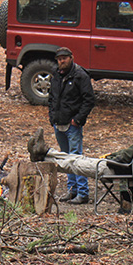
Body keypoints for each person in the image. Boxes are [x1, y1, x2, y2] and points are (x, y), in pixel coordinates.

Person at [28, 119, 133, 212]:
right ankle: (45, 151)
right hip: (124, 171)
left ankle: (43, 157)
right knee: (77, 158)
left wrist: (110, 157)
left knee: (74, 164)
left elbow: (123, 157)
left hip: (114, 171)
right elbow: (127, 157)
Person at [48, 47, 96, 204]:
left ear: (71, 58)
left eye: (64, 58)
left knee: (76, 158)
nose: (62, 61)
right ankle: (72, 190)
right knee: (66, 157)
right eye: (59, 59)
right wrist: (52, 116)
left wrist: (78, 119)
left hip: (72, 124)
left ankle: (83, 193)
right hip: (58, 122)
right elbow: (52, 97)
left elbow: (89, 99)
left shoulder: (80, 75)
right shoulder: (56, 74)